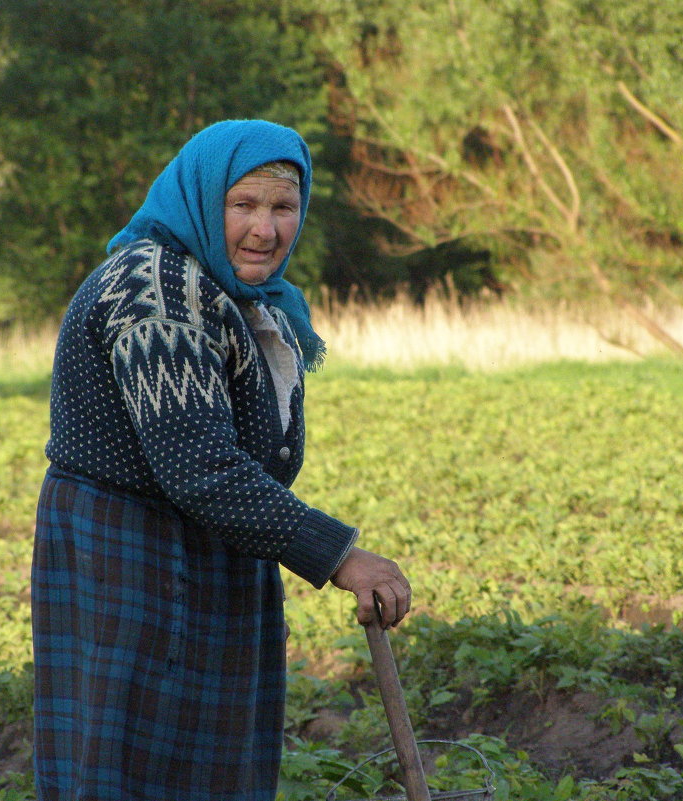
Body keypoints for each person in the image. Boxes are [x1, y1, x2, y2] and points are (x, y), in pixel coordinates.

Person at [31, 119, 412, 801]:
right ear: (205, 199)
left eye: (282, 207)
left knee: (205, 770)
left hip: (205, 546)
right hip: (136, 557)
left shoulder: (234, 292)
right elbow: (200, 465)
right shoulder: (159, 291)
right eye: (244, 205)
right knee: (137, 768)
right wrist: (340, 555)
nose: (265, 230)